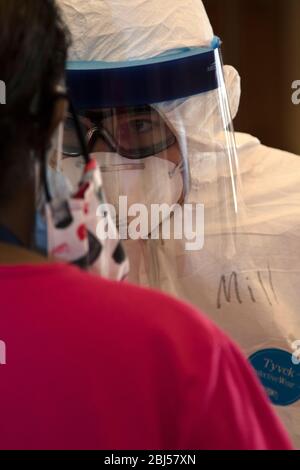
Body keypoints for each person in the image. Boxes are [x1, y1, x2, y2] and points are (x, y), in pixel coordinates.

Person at [0, 0, 293, 451]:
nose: (106, 163)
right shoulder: (22, 242)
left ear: (196, 120)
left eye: (138, 124)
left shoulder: (288, 215)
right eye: (79, 132)